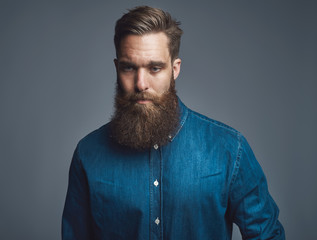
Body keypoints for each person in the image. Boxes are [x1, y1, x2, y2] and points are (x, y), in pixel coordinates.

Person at [62, 6, 285, 240]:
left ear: (174, 69)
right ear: (117, 68)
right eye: (129, 67)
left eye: (154, 68)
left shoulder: (229, 149)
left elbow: (267, 235)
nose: (140, 84)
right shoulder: (88, 155)